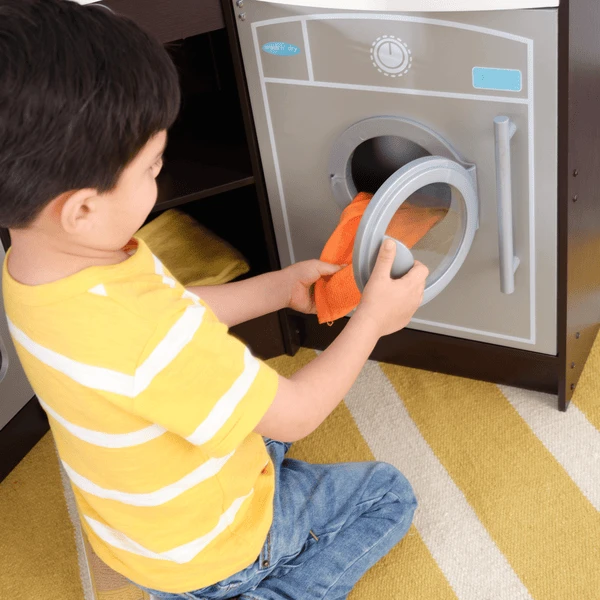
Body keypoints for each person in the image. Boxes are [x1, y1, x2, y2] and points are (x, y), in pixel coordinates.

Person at [0, 1, 428, 598]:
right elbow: (297, 411)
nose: (160, 178)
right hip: (214, 549)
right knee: (388, 494)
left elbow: (174, 312)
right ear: (82, 209)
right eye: (151, 168)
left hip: (140, 534)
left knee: (257, 428)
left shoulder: (33, 265)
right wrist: (374, 320)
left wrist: (278, 288)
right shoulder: (145, 333)